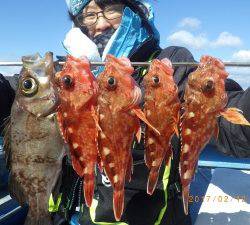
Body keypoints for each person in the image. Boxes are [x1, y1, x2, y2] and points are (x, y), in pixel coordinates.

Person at [0, 0, 249, 225]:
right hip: (70, 215)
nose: (99, 23)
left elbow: (232, 127)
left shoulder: (169, 64)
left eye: (110, 9)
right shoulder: (63, 74)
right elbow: (17, 95)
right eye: (88, 14)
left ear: (135, 11)